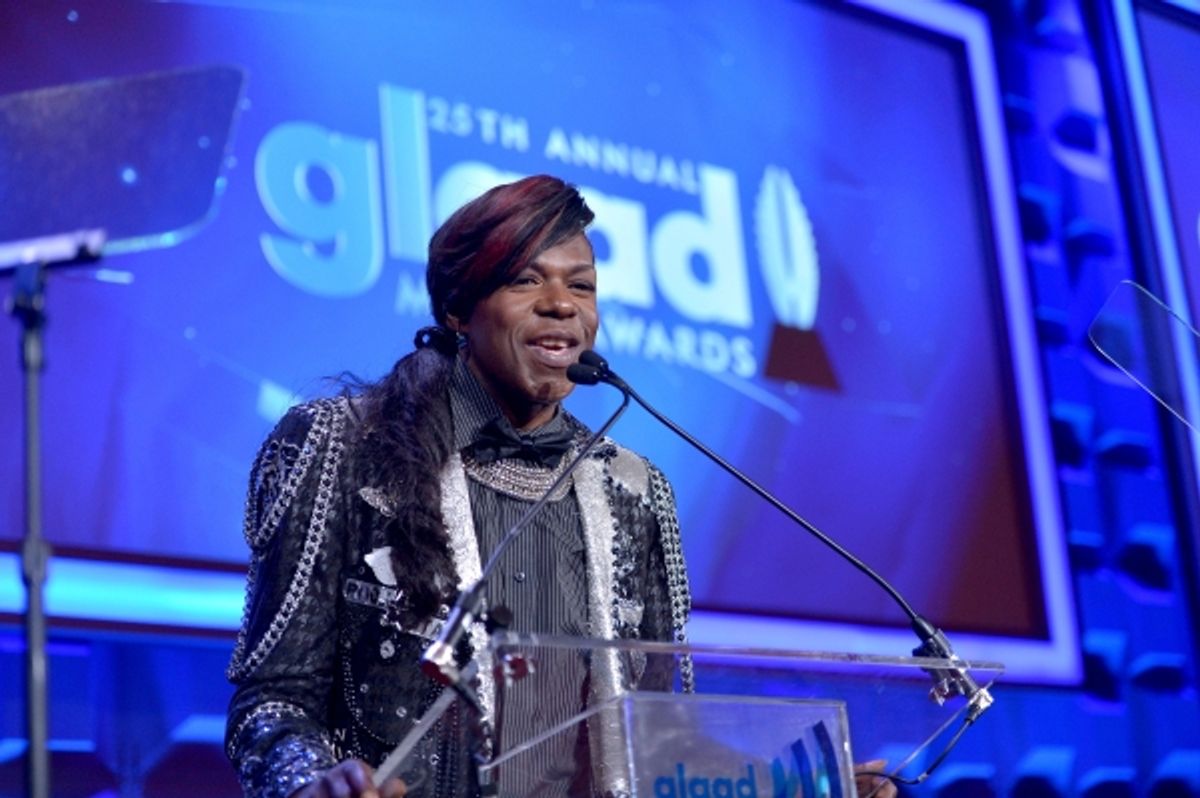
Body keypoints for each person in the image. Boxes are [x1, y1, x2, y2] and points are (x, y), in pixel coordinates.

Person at [224, 175, 694, 798]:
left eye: (581, 285)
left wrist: (804, 780)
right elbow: (270, 702)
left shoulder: (635, 490)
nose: (563, 304)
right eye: (527, 280)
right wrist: (313, 783)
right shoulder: (342, 445)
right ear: (456, 309)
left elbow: (665, 737)